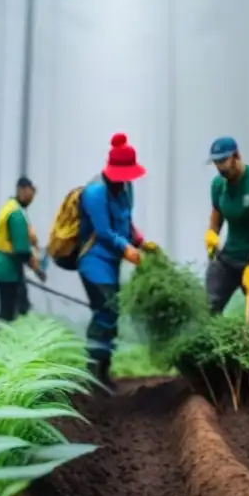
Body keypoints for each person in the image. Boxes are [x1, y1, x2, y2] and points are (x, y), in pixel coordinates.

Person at [78, 133, 158, 392]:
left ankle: (104, 372)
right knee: (105, 312)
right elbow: (103, 231)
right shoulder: (94, 193)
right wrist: (128, 251)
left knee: (111, 312)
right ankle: (92, 375)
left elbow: (125, 221)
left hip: (111, 261)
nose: (125, 181)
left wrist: (140, 241)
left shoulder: (126, 188)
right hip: (94, 261)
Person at [203, 137, 249, 318]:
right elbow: (216, 218)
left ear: (236, 156)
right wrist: (211, 236)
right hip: (229, 257)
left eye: (223, 161)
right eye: (216, 162)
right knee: (207, 308)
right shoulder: (218, 185)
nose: (220, 167)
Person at [0, 177, 46, 325]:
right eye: (31, 193)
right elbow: (21, 250)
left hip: (0, 264)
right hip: (7, 269)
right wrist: (37, 270)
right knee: (10, 310)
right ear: (22, 189)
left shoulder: (9, 206)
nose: (32, 198)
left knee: (8, 306)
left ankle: (2, 337)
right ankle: (3, 339)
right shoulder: (16, 214)